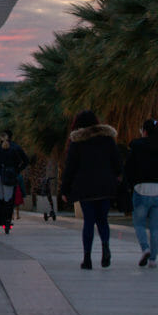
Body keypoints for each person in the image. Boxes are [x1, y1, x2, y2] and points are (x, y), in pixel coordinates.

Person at [60, 110, 123, 269]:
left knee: (88, 221)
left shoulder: (77, 142)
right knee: (103, 220)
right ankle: (105, 247)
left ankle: (87, 258)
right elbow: (117, 163)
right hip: (105, 186)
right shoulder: (108, 139)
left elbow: (70, 168)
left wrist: (65, 190)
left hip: (85, 187)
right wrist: (116, 177)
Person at [124, 118, 158, 268]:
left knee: (139, 223)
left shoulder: (136, 147)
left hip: (141, 190)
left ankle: (145, 248)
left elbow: (128, 169)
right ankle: (153, 259)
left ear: (145, 132)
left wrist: (128, 188)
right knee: (155, 227)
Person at [0, 129, 28, 233]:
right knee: (8, 199)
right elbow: (25, 161)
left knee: (1, 198)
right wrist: (17, 170)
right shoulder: (15, 148)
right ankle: (7, 220)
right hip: (9, 176)